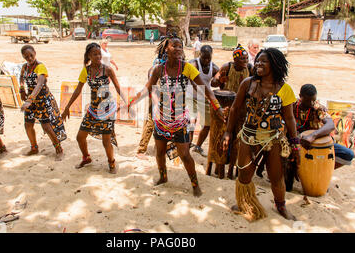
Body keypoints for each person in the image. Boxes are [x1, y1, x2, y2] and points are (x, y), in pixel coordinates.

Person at [127, 36, 225, 197]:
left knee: (185, 155)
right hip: (162, 120)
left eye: (180, 46)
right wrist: (131, 101)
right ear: (167, 49)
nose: (179, 49)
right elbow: (147, 88)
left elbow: (205, 88)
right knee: (159, 153)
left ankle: (195, 184)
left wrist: (217, 107)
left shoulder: (187, 68)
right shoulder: (158, 69)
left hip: (180, 121)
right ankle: (163, 177)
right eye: (175, 46)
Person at [222, 48, 299, 222]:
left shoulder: (284, 89)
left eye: (263, 61)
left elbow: (289, 118)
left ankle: (281, 206)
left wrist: (295, 143)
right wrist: (228, 131)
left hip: (273, 138)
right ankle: (244, 203)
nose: (258, 64)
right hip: (248, 136)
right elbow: (234, 108)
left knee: (276, 177)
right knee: (244, 175)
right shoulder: (248, 83)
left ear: (275, 64)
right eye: (257, 61)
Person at [62, 43, 128, 174]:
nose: (98, 56)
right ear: (89, 56)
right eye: (94, 54)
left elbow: (118, 87)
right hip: (93, 109)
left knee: (106, 141)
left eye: (99, 54)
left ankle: (111, 162)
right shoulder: (85, 71)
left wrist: (127, 102)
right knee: (80, 137)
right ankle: (86, 158)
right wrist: (67, 107)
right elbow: (77, 90)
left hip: (107, 109)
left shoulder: (107, 69)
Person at [212, 44, 253, 179]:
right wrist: (218, 80)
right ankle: (220, 167)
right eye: (242, 59)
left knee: (237, 139)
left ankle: (232, 170)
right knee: (223, 136)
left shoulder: (250, 69)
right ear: (235, 60)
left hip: (242, 109)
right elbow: (213, 82)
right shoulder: (227, 67)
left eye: (246, 58)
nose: (245, 61)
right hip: (227, 107)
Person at [19, 45, 67, 161]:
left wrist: (29, 100)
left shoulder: (41, 67)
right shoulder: (25, 67)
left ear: (35, 53)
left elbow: (40, 84)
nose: (29, 58)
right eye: (26, 57)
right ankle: (34, 148)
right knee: (28, 124)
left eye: (31, 55)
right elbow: (21, 77)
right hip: (31, 100)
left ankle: (59, 149)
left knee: (46, 126)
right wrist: (21, 89)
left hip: (42, 100)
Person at [293, 84, 354, 170]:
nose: (311, 103)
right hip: (296, 142)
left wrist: (313, 136)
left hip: (317, 143)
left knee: (348, 154)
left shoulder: (318, 108)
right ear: (300, 96)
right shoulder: (292, 106)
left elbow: (330, 125)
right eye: (307, 100)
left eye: (313, 100)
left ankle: (321, 171)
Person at [187, 45, 220, 157]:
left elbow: (217, 82)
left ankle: (198, 146)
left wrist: (220, 80)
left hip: (205, 98)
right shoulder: (193, 64)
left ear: (211, 56)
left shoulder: (214, 68)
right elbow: (193, 82)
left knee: (207, 124)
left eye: (208, 58)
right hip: (191, 96)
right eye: (204, 58)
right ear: (199, 54)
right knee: (192, 121)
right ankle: (188, 145)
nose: (206, 61)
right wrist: (205, 94)